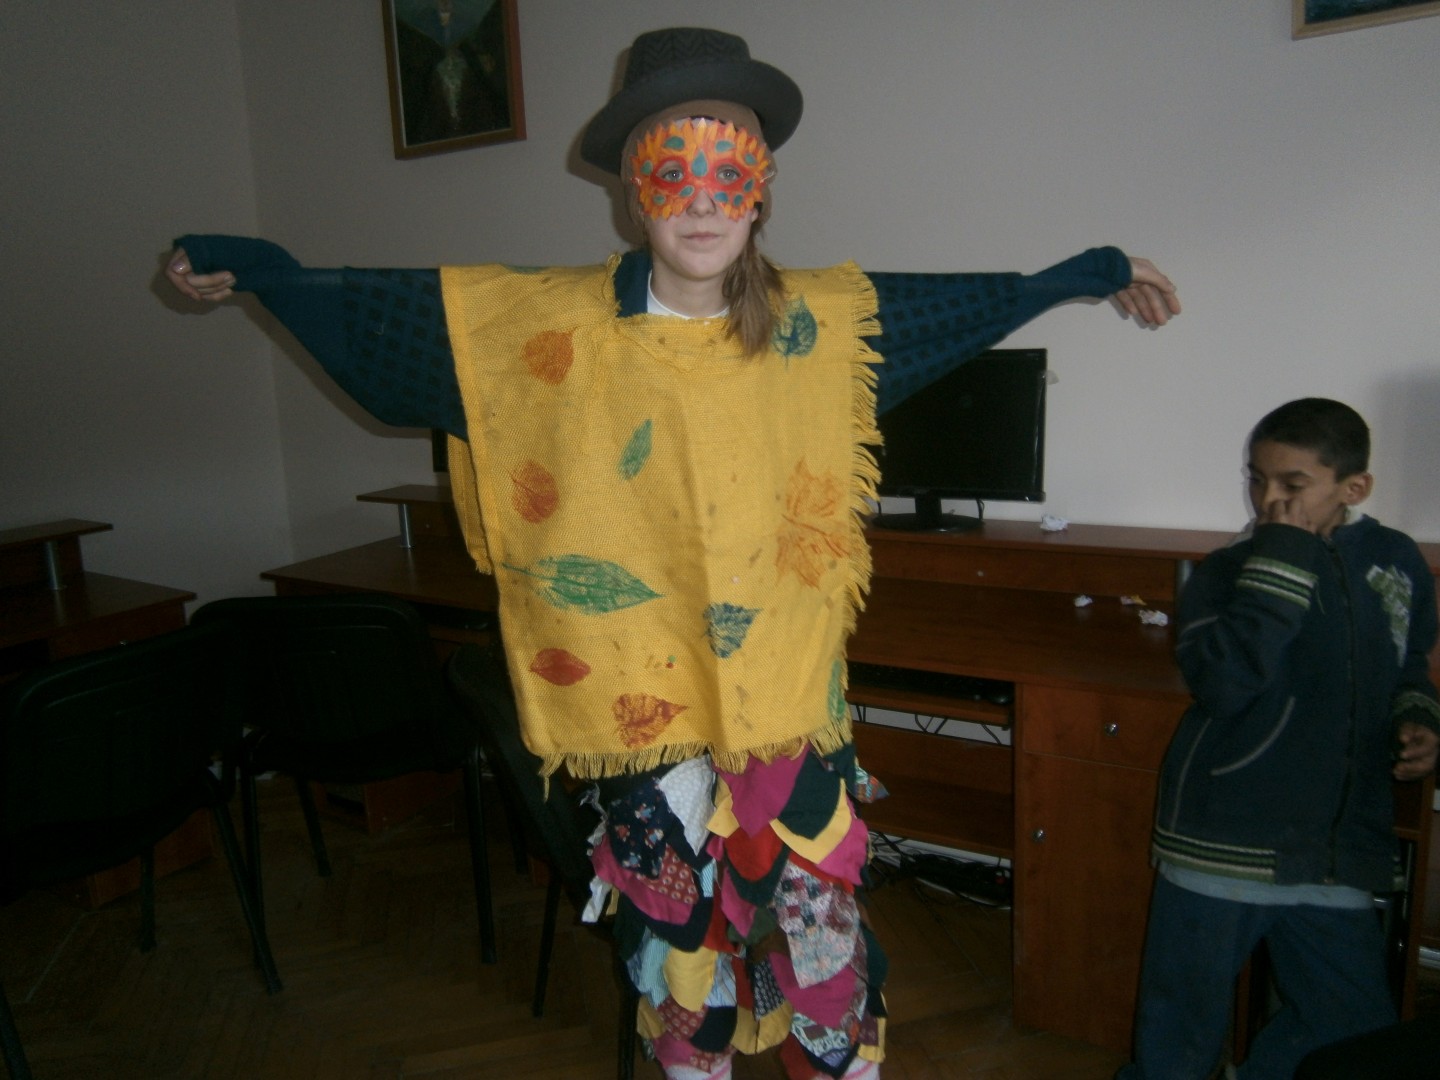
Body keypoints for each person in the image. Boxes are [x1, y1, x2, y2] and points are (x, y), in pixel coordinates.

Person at [164, 27, 1180, 1080]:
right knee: (680, 963)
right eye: (670, 168)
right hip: (639, 717)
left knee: (820, 957)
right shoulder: (535, 330)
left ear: (761, 190)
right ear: (630, 190)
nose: (701, 200)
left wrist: (1089, 274)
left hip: (787, 711)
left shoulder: (822, 328)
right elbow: (386, 326)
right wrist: (264, 275)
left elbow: (961, 308)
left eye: (728, 168)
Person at [1115, 398, 1440, 1080]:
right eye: (1257, 480)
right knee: (1179, 1033)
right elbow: (1225, 682)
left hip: (1333, 847)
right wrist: (1286, 556)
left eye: (1292, 485)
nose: (1268, 500)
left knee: (1350, 1026)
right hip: (1223, 837)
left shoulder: (1395, 561)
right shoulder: (1227, 570)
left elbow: (1409, 664)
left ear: (1354, 488)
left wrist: (1418, 720)